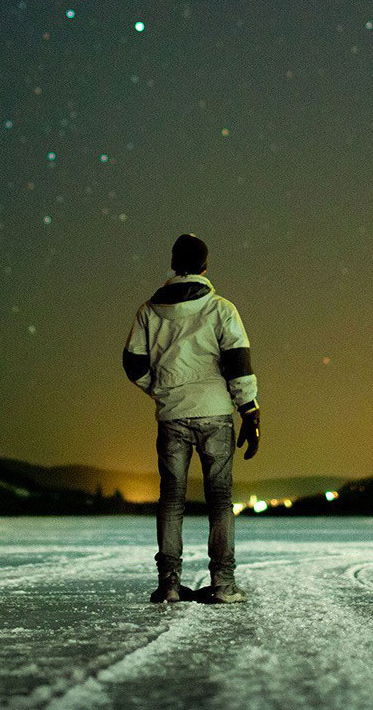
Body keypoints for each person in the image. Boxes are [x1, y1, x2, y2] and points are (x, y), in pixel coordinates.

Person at [122, 233, 261, 604]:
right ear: (205, 265)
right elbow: (237, 363)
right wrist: (249, 410)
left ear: (173, 264)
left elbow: (133, 364)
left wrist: (160, 389)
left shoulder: (149, 311)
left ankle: (168, 585)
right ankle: (223, 585)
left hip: (172, 416)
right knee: (220, 499)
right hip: (215, 413)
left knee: (171, 501)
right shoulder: (220, 308)